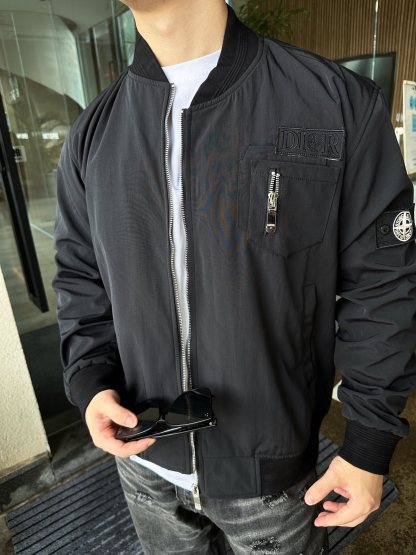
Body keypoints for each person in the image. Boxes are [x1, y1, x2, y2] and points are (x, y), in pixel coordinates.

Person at [51, 1, 416, 553]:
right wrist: (92, 382)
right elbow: (81, 280)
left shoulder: (332, 101)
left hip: (273, 477)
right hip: (144, 462)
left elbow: (384, 286)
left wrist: (368, 443)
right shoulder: (93, 134)